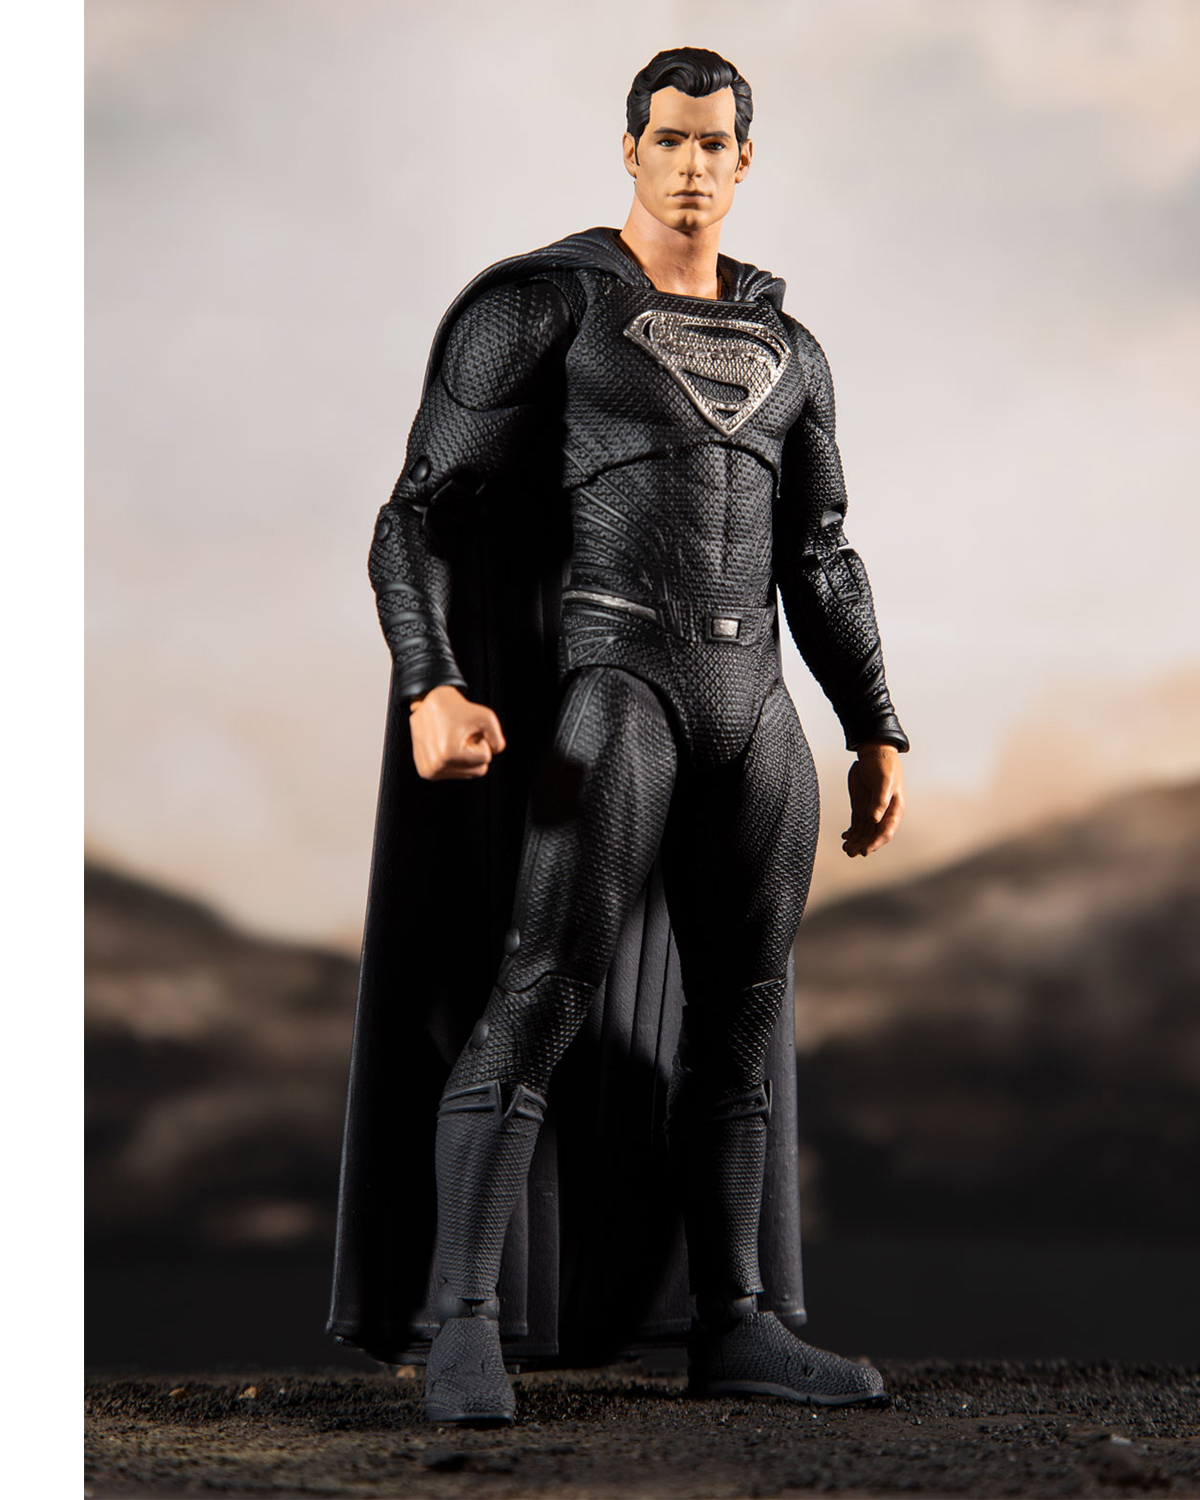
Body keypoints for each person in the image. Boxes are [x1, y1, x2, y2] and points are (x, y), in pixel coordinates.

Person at [355, 47, 907, 1426]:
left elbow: (820, 554)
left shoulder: (790, 350)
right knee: (541, 994)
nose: (692, 165)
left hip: (754, 705)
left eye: (716, 144)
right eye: (670, 139)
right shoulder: (546, 308)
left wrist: (875, 722)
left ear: (745, 160)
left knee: (743, 1018)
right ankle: (464, 1322)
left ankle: (738, 1321)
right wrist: (431, 682)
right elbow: (416, 513)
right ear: (630, 149)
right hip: (620, 689)